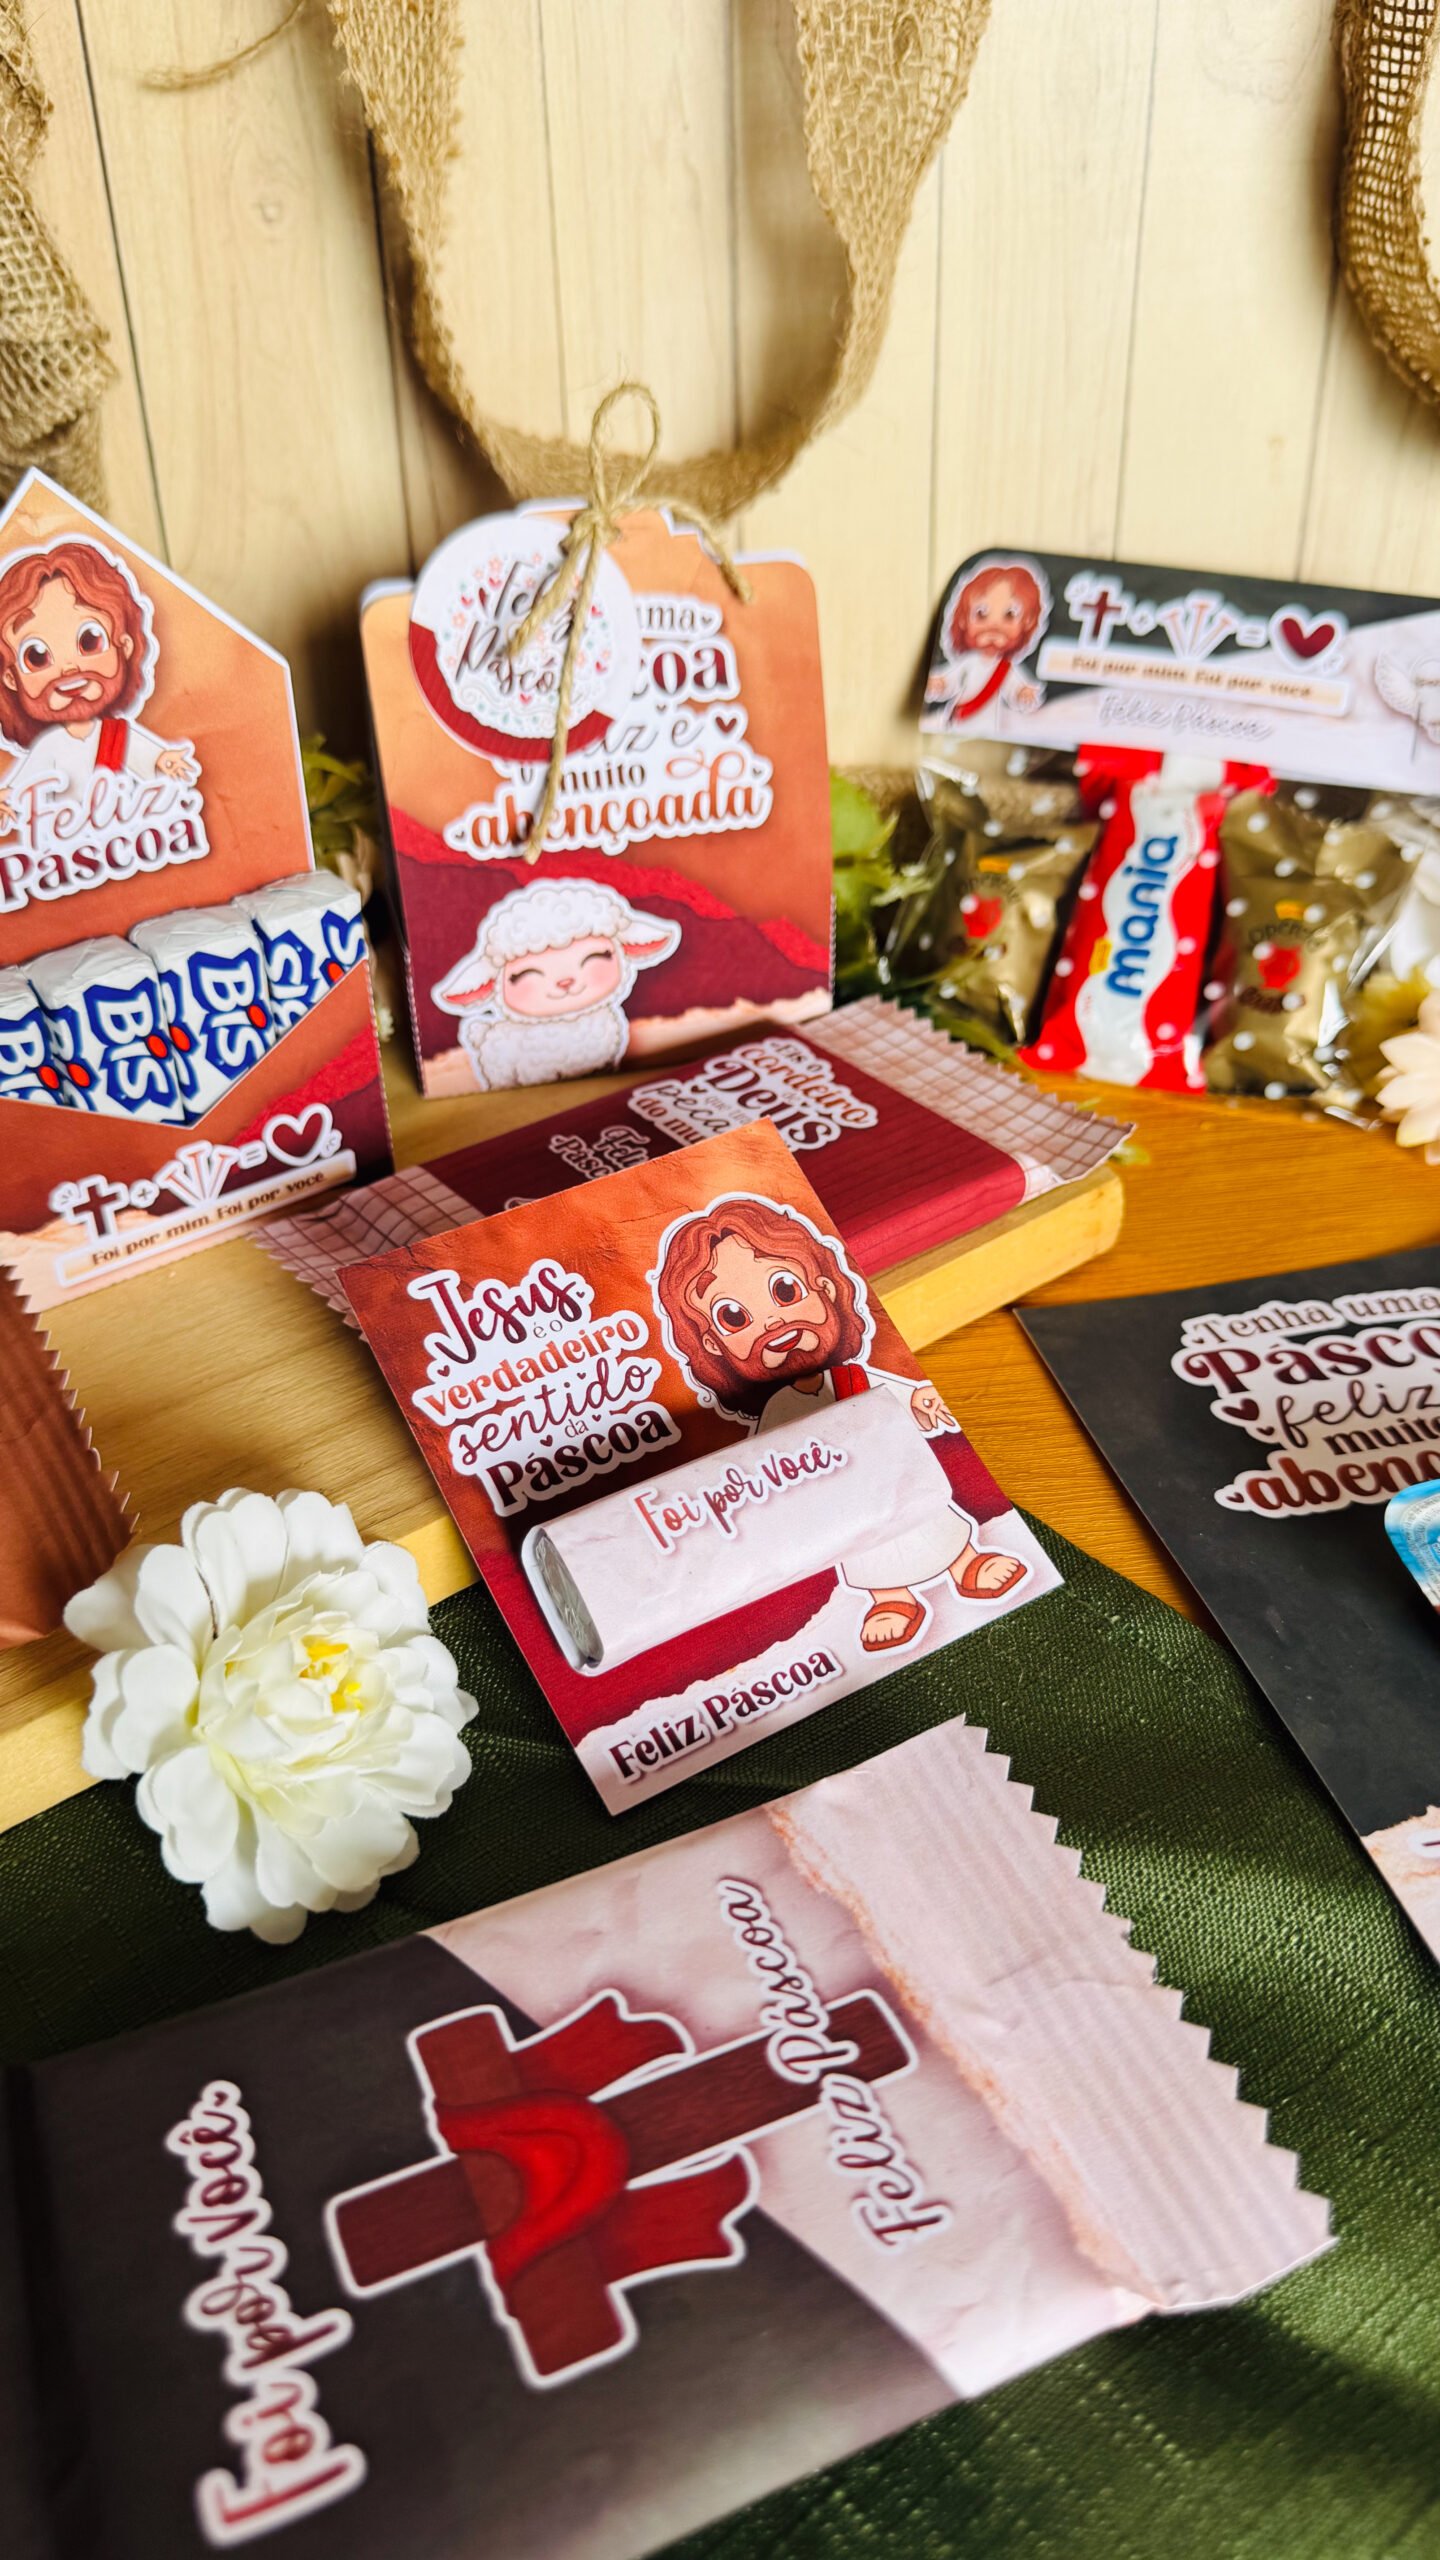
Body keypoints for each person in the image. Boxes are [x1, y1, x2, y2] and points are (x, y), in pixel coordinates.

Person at [652, 1193, 1026, 1652]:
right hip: (846, 1505)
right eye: (734, 1317)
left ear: (825, 1289)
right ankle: (890, 1599)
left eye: (785, 1291)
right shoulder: (777, 1408)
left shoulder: (854, 1376)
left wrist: (922, 1401)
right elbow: (767, 1469)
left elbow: (904, 1400)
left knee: (929, 1520)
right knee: (866, 1551)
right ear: (713, 1346)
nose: (772, 1320)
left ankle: (966, 1562)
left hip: (898, 1479)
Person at [0, 538, 197, 833]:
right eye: (37, 656)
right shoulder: (51, 745)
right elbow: (20, 787)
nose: (69, 668)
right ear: (10, 679)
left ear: (124, 645)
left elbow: (148, 757)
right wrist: (7, 799)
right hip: (69, 840)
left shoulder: (119, 735)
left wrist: (163, 761)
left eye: (89, 640)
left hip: (122, 835)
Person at [924, 558, 1047, 727]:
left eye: (1010, 615)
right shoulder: (969, 662)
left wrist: (1022, 693)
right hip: (961, 720)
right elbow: (951, 680)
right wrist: (940, 684)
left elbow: (1014, 689)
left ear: (1027, 623)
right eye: (981, 614)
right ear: (963, 620)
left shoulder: (1006, 668)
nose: (994, 626)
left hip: (989, 723)